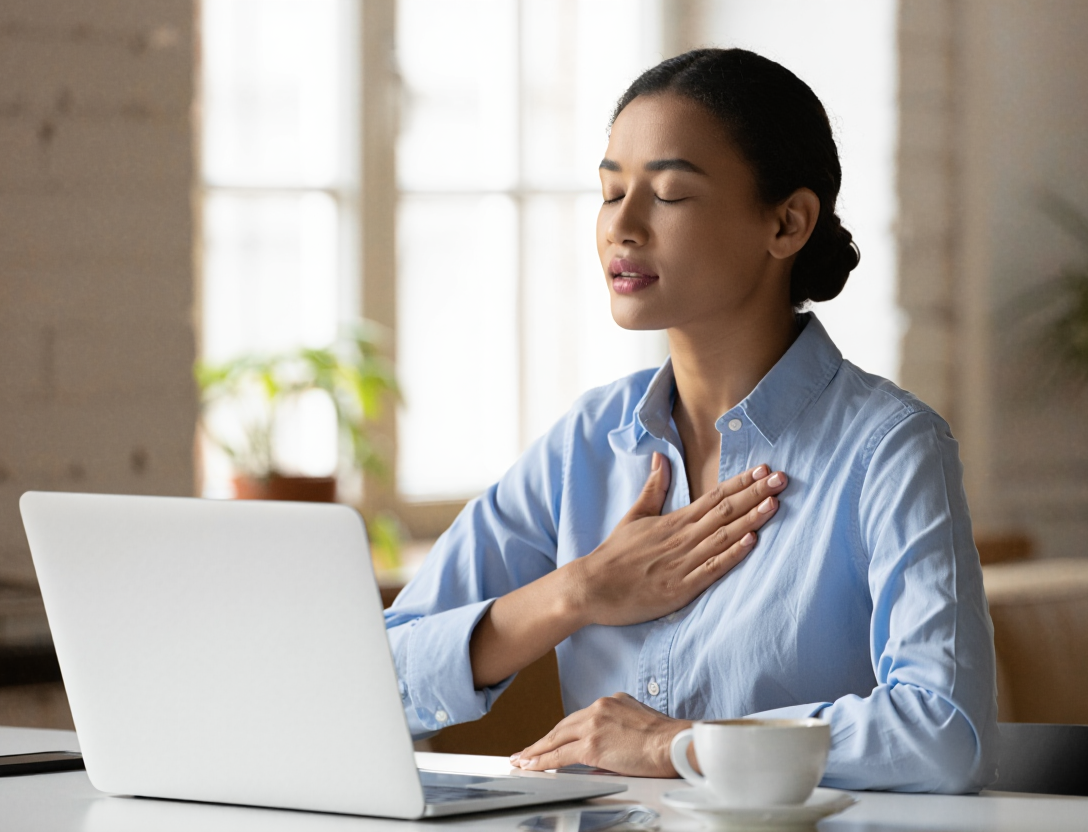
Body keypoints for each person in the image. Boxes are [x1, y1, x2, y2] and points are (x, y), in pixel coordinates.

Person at [385, 48, 998, 793]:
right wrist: (578, 592)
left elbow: (942, 732)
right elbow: (377, 676)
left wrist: (679, 744)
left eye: (669, 194)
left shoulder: (890, 449)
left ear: (788, 223)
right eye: (611, 193)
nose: (624, 227)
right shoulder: (585, 444)